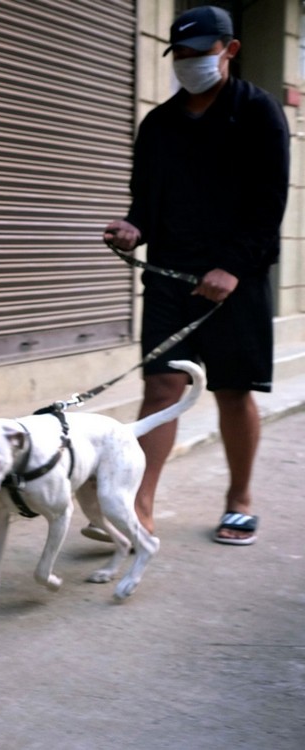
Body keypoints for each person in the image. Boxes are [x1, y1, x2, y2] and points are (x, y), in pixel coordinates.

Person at [101, 5, 288, 547]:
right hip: (169, 276)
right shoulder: (158, 124)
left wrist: (233, 265)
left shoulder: (258, 113)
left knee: (233, 390)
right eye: (178, 53)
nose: (187, 62)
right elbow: (146, 202)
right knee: (161, 386)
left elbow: (269, 200)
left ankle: (240, 500)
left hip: (237, 280)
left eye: (198, 52)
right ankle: (140, 507)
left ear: (228, 50)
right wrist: (132, 227)